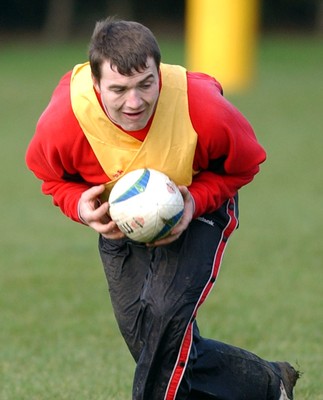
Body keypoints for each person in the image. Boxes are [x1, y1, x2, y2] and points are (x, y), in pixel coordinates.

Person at [26, 17, 299, 400]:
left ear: (160, 73)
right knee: (147, 341)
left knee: (167, 319)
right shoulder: (64, 121)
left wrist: (195, 201)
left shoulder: (203, 107)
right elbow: (50, 177)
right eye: (118, 89)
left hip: (201, 204)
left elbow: (245, 162)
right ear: (95, 83)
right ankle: (269, 384)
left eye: (145, 84)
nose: (134, 102)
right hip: (119, 224)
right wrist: (78, 206)